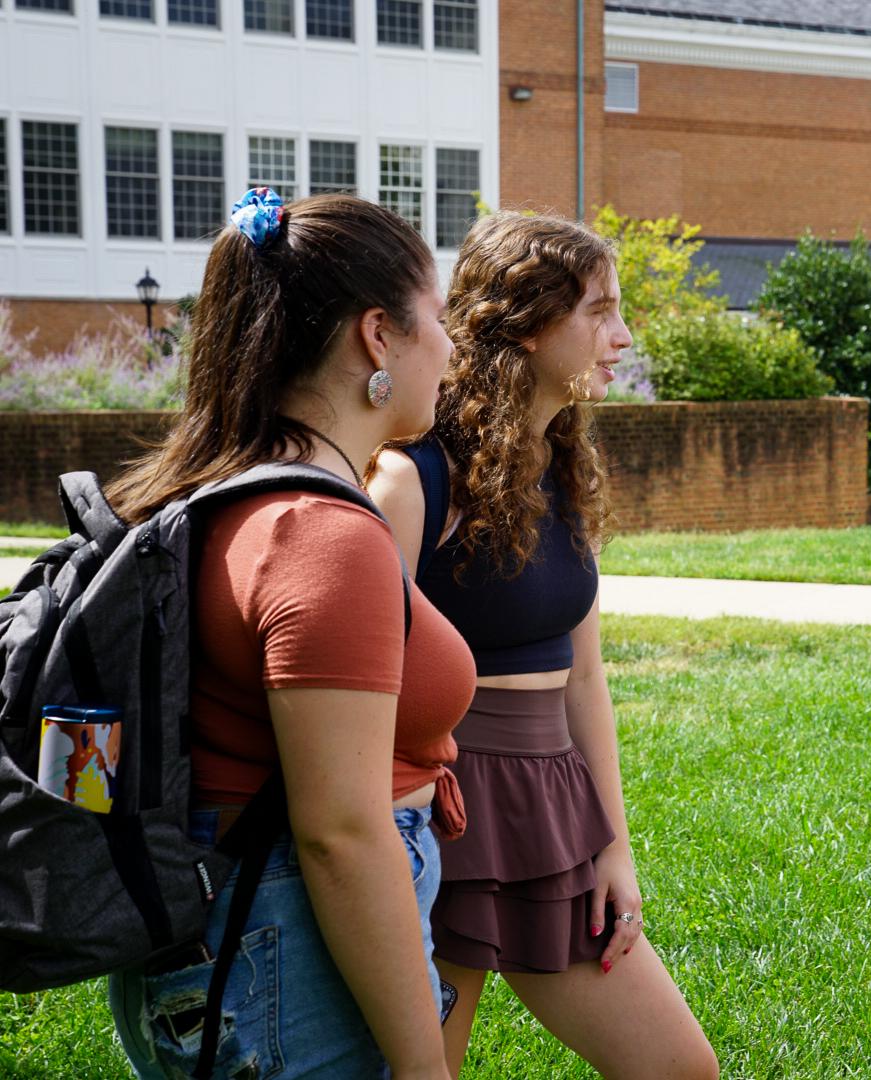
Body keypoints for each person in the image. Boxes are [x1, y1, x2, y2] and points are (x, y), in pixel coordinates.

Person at [105, 190, 473, 1078]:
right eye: (440, 317)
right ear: (378, 336)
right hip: (286, 949)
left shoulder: (219, 493)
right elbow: (341, 836)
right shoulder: (323, 535)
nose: (454, 348)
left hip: (227, 944)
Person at [369, 211, 717, 1079]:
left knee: (683, 1069)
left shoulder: (560, 464)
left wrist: (613, 846)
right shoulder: (412, 479)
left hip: (552, 804)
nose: (622, 335)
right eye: (600, 311)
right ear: (527, 325)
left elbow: (585, 678)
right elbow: (365, 691)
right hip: (436, 814)